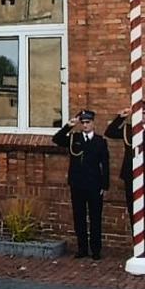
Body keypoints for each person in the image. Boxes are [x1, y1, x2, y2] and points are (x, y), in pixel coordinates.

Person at [104, 101, 145, 258]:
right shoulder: (128, 129)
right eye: (139, 113)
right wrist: (121, 117)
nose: (142, 116)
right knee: (134, 212)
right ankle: (137, 246)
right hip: (131, 176)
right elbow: (110, 132)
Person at [52, 110, 110, 259]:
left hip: (94, 185)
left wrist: (104, 185)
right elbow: (56, 139)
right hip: (77, 184)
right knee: (79, 217)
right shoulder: (74, 138)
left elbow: (105, 164)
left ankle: (96, 250)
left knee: (95, 218)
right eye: (83, 123)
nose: (85, 125)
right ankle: (82, 249)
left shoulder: (100, 141)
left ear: (93, 123)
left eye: (88, 122)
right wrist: (68, 126)